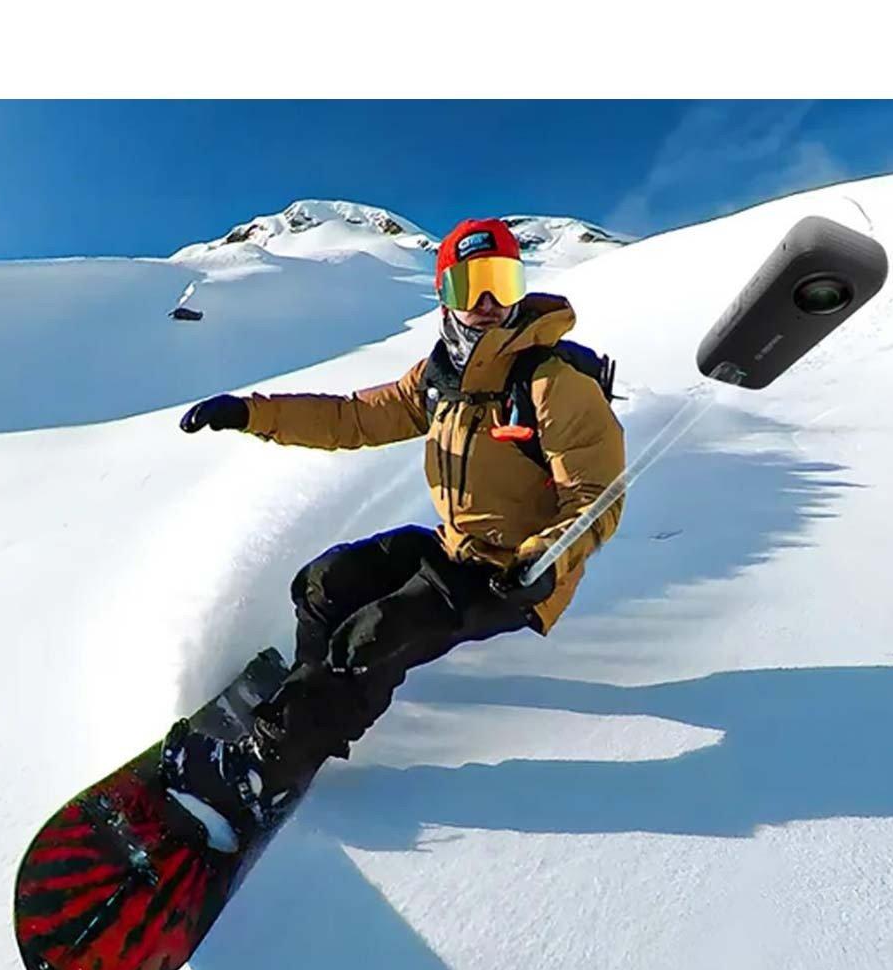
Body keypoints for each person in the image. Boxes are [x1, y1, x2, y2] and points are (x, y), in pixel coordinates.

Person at [161, 217, 625, 829]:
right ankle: (308, 700)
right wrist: (251, 413)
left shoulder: (550, 382)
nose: (488, 303)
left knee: (372, 639)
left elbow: (598, 495)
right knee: (324, 583)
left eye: (503, 282)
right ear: (445, 296)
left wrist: (544, 558)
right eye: (472, 285)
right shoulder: (441, 379)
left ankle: (264, 771)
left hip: (514, 574)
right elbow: (352, 418)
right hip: (454, 548)